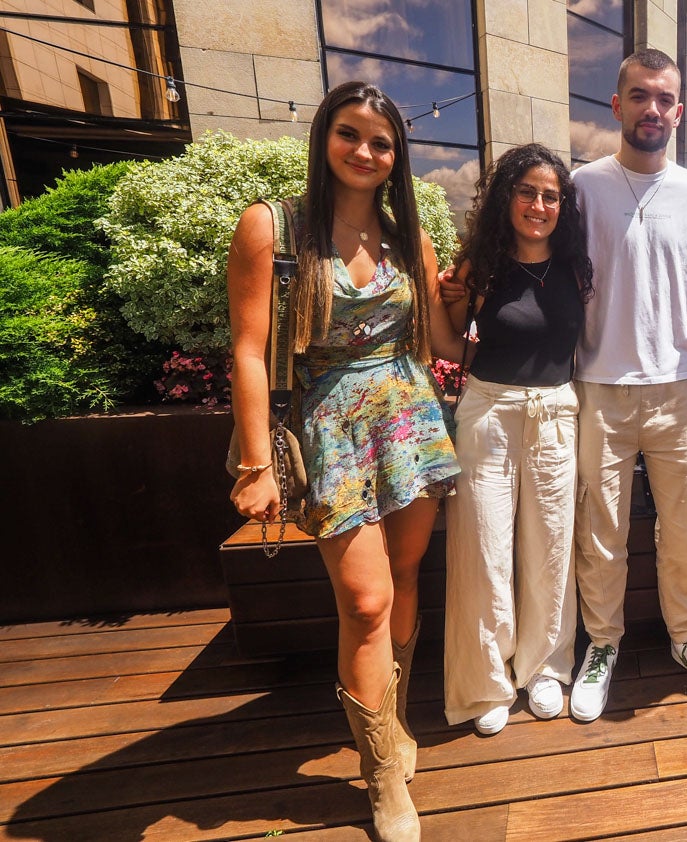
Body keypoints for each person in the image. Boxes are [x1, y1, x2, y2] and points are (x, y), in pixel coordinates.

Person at [227, 81, 462, 842]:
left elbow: (446, 344)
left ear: (397, 157)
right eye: (349, 134)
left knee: (405, 576)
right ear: (323, 137)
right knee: (363, 604)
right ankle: (384, 777)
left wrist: (485, 295)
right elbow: (249, 351)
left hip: (409, 418)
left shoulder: (409, 239)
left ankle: (390, 723)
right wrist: (255, 464)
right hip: (329, 427)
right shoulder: (273, 227)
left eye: (381, 141)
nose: (364, 151)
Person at [568, 48, 687, 722]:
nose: (652, 109)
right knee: (601, 529)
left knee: (686, 528)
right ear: (617, 106)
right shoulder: (582, 187)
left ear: (679, 110)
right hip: (598, 387)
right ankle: (602, 645)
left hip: (676, 390)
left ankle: (686, 636)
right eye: (639, 96)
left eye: (664, 98)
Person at [440, 144, 592, 735]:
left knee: (552, 545)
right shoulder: (480, 267)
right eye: (527, 192)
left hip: (556, 410)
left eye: (550, 195)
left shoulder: (578, 267)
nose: (538, 204)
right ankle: (486, 682)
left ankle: (547, 668)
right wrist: (441, 298)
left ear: (563, 205)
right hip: (490, 411)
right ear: (507, 198)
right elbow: (451, 345)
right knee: (483, 549)